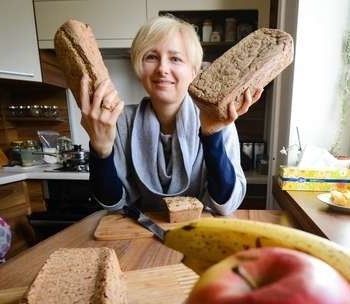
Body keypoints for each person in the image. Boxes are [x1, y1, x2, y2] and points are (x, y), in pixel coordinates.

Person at [82, 15, 262, 216]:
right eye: (151, 57)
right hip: (140, 234)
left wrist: (212, 135)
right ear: (138, 66)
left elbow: (225, 204)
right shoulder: (122, 121)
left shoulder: (217, 119)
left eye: (175, 59)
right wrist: (101, 150)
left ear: (194, 71)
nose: (162, 69)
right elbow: (113, 204)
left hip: (200, 235)